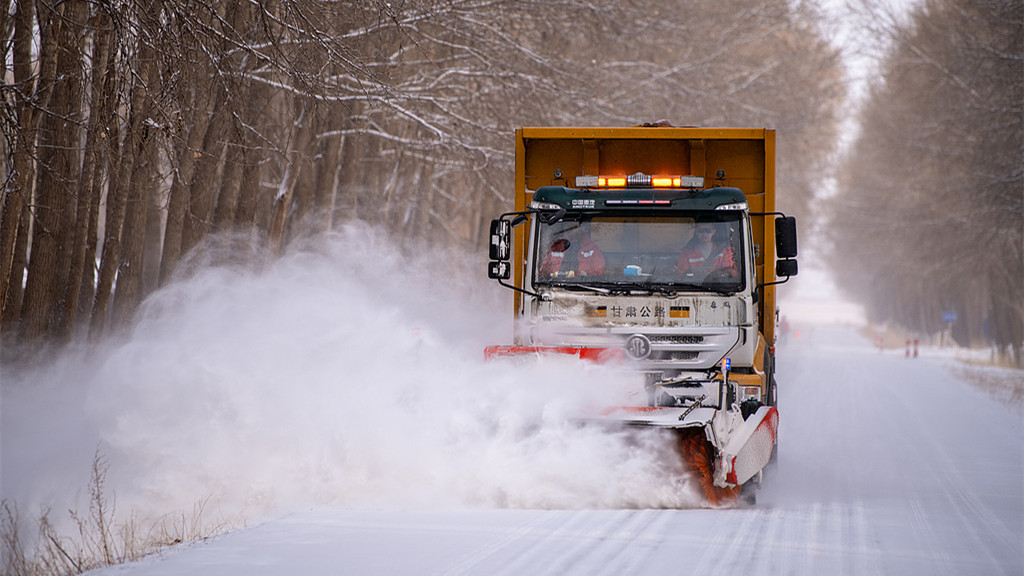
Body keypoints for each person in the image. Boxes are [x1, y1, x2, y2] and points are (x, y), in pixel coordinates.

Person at [540, 224, 606, 277]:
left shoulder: (591, 248)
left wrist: (585, 275)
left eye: (571, 228)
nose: (567, 231)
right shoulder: (555, 246)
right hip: (555, 288)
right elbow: (543, 270)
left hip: (582, 288)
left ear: (580, 229)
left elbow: (600, 271)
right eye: (566, 228)